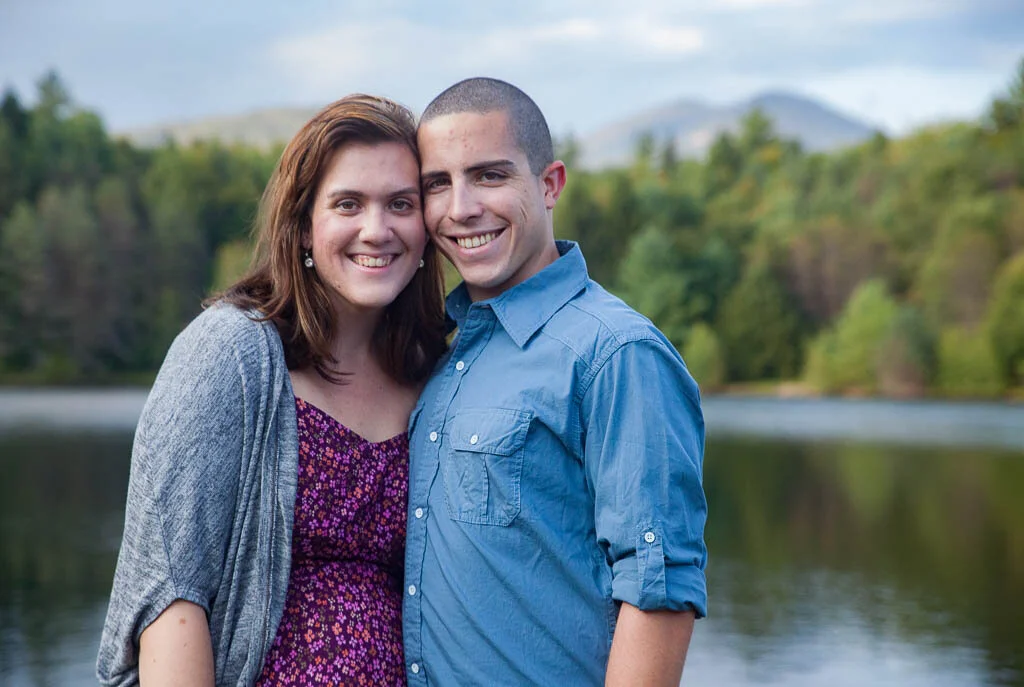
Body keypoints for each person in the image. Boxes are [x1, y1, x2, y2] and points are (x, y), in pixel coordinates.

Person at [97, 94, 447, 686]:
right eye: (348, 203)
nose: (377, 229)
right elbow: (172, 590)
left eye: (400, 204)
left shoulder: (433, 373)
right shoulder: (230, 353)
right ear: (304, 226)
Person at [402, 77, 708, 686]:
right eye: (437, 183)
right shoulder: (444, 350)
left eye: (489, 175)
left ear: (549, 185)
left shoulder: (617, 353)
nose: (461, 208)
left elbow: (658, 588)